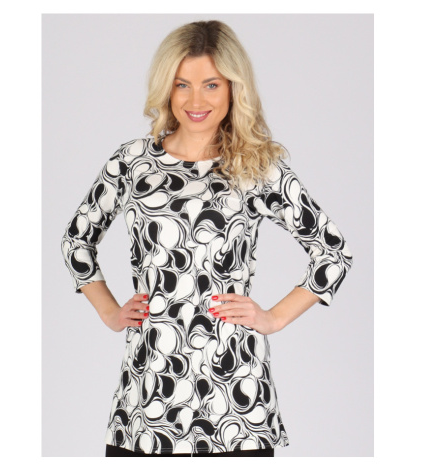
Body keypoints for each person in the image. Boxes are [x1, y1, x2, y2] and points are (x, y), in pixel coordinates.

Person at [61, 20, 353, 457]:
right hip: (147, 401)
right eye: (182, 85)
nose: (195, 101)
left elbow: (332, 252)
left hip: (235, 403)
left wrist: (273, 318)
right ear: (166, 88)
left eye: (211, 85)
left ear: (234, 88)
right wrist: (109, 311)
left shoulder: (257, 165)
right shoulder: (133, 162)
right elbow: (77, 240)